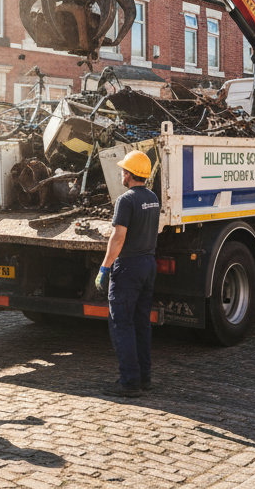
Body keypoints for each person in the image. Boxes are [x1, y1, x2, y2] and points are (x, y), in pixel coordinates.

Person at [96, 150, 160, 398]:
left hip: (129, 267)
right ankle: (144, 378)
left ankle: (129, 382)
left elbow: (118, 237)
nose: (121, 173)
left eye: (123, 170)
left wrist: (104, 267)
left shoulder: (126, 200)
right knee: (142, 323)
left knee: (121, 324)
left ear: (130, 174)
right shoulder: (152, 197)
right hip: (148, 264)